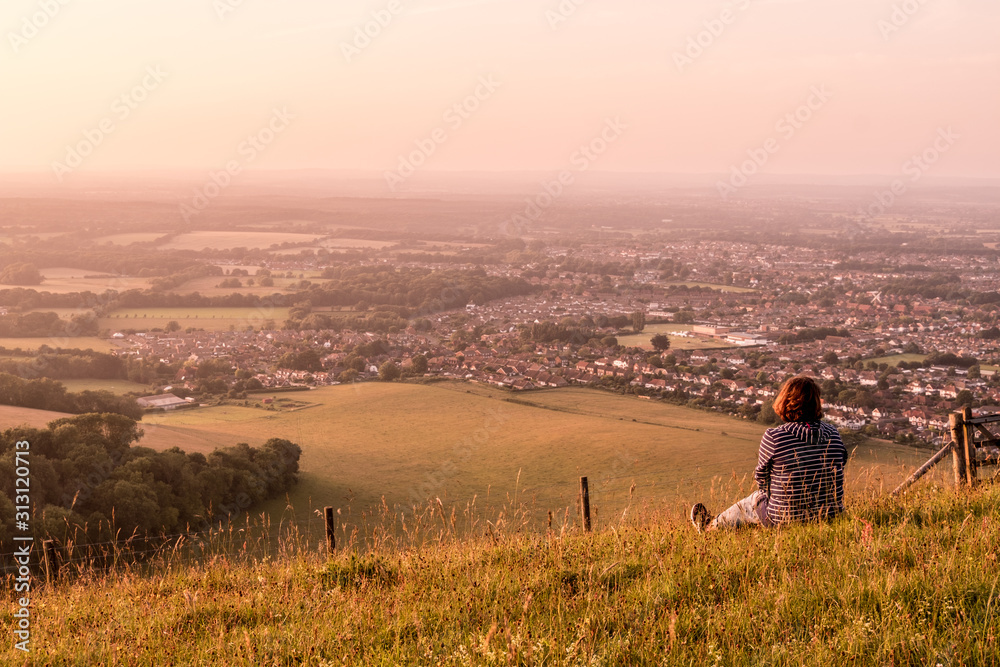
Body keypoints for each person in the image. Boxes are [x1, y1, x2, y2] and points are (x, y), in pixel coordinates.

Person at [690, 375, 848, 532]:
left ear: (785, 401)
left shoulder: (774, 436)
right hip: (832, 515)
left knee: (754, 499)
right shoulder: (833, 433)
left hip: (783, 520)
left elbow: (762, 478)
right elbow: (841, 463)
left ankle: (709, 527)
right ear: (816, 403)